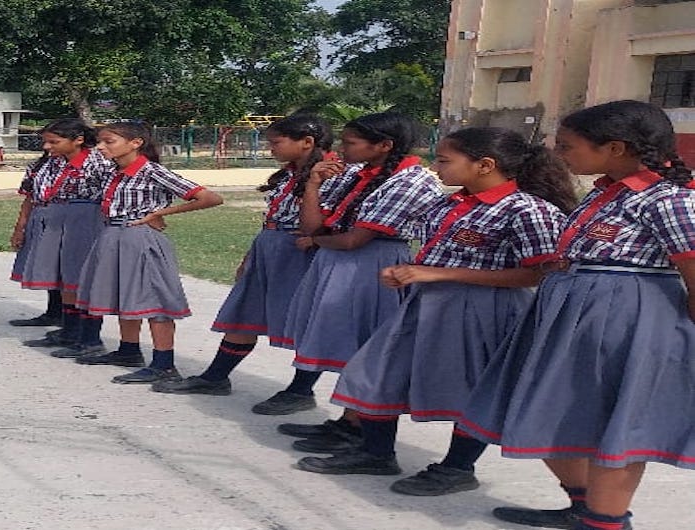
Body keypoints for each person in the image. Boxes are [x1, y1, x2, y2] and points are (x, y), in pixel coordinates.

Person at [296, 126, 574, 498]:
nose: (436, 167)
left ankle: (457, 467)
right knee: (373, 371)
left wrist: (440, 273)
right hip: (427, 301)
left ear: (484, 165)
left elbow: (538, 273)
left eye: (445, 160)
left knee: (471, 390)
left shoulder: (527, 209)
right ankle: (375, 451)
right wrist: (410, 273)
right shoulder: (452, 202)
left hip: (482, 307)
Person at [459, 100, 695, 530]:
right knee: (553, 409)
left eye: (569, 146)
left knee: (617, 423)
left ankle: (605, 522)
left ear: (616, 147)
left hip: (627, 318)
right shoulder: (608, 191)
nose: (561, 154)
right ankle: (583, 506)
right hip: (573, 315)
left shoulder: (668, 199)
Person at [265, 113, 446, 422]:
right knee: (344, 340)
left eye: (350, 143)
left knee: (365, 346)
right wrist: (313, 185)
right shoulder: (356, 174)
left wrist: (319, 241)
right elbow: (312, 227)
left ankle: (359, 428)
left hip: (372, 265)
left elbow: (354, 240)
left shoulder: (411, 180)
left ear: (383, 146)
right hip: (338, 263)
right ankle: (348, 424)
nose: (341, 148)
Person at [156, 115, 335, 395]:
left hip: (301, 254)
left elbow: (321, 222)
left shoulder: (330, 175)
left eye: (276, 142)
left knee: (306, 321)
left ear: (307, 143)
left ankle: (300, 391)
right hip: (269, 248)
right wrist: (250, 256)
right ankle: (215, 377)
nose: (270, 149)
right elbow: (271, 217)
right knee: (245, 313)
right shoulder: (287, 173)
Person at [70, 122, 225, 384]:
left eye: (109, 141)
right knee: (125, 295)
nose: (100, 147)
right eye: (100, 141)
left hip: (141, 238)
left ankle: (164, 363)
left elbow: (210, 198)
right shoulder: (112, 171)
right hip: (113, 235)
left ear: (136, 143)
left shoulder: (152, 171)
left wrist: (159, 214)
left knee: (154, 299)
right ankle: (128, 350)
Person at [7, 119, 113, 351]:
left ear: (78, 140)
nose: (47, 147)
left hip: (83, 221)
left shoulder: (100, 163)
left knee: (79, 278)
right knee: (66, 278)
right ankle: (70, 331)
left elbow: (113, 194)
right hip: (54, 220)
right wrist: (21, 226)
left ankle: (87, 337)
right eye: (45, 141)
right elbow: (31, 195)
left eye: (54, 142)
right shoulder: (49, 163)